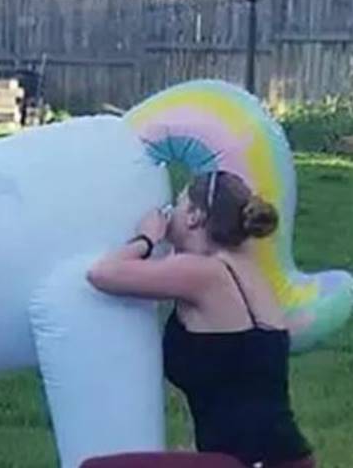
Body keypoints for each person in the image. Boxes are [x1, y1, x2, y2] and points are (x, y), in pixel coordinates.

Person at [80, 170, 316, 468]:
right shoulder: (247, 269)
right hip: (279, 457)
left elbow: (102, 274)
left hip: (251, 462)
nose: (170, 214)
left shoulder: (201, 273)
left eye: (177, 205)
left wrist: (146, 237)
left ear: (194, 216)